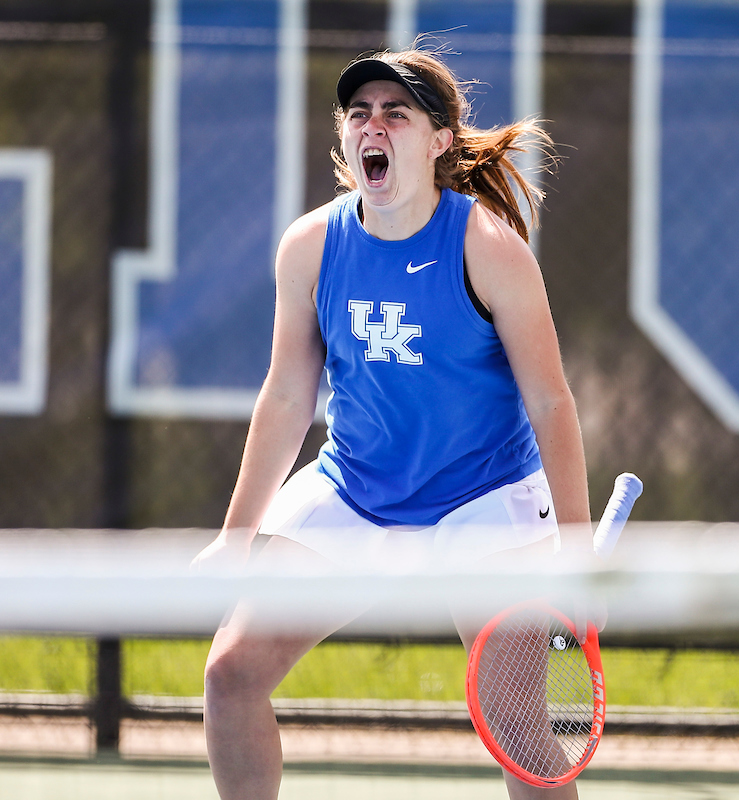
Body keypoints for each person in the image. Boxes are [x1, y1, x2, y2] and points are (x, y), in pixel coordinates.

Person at [191, 48, 592, 800]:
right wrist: (235, 535)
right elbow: (286, 396)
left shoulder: (490, 249)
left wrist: (575, 551)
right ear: (347, 140)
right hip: (357, 488)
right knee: (230, 674)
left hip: (484, 497)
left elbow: (551, 404)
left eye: (395, 113)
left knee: (518, 730)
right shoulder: (310, 247)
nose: (373, 125)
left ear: (439, 141)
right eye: (359, 114)